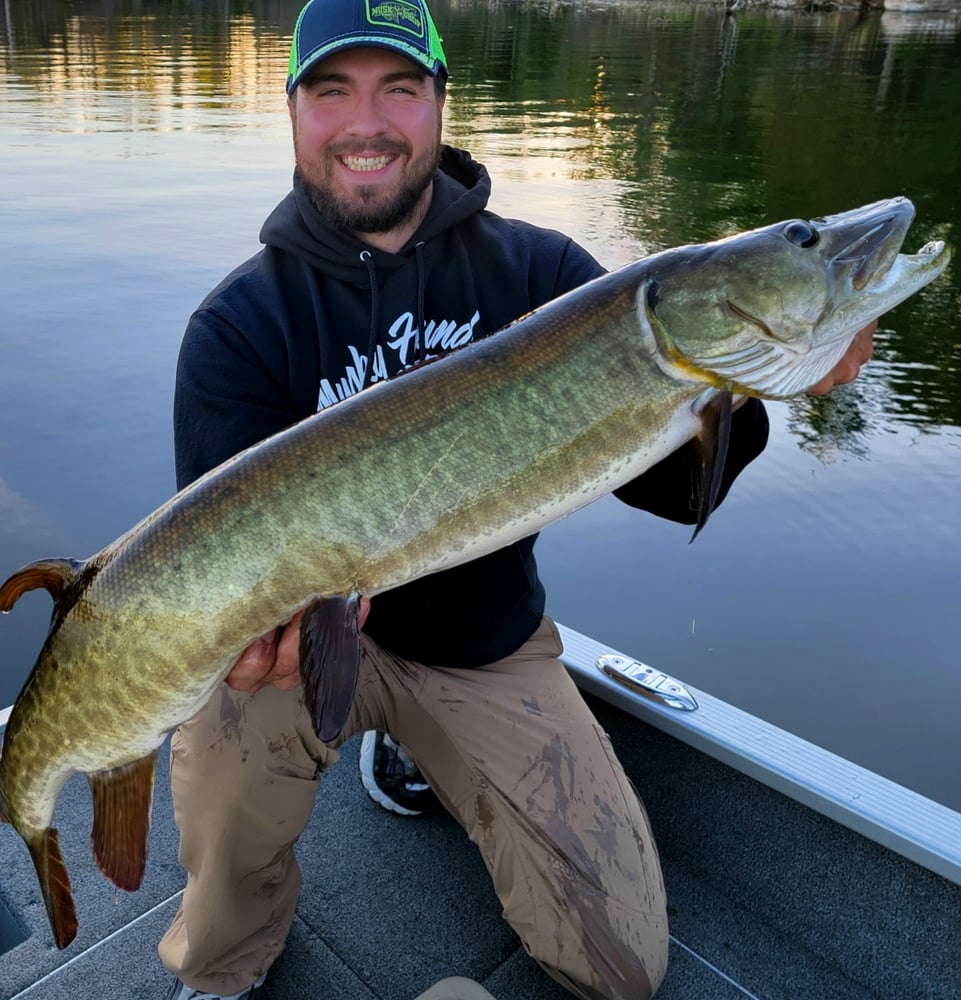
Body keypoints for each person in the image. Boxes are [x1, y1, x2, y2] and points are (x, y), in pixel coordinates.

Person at [161, 1, 877, 997]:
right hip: (310, 653)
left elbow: (668, 489)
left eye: (398, 89)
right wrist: (243, 636)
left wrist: (753, 384)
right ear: (293, 112)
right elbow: (218, 557)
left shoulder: (542, 273)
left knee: (621, 966)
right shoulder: (239, 327)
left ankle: (425, 760)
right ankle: (228, 961)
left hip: (482, 646)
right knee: (224, 731)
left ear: (439, 104)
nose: (366, 121)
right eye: (334, 91)